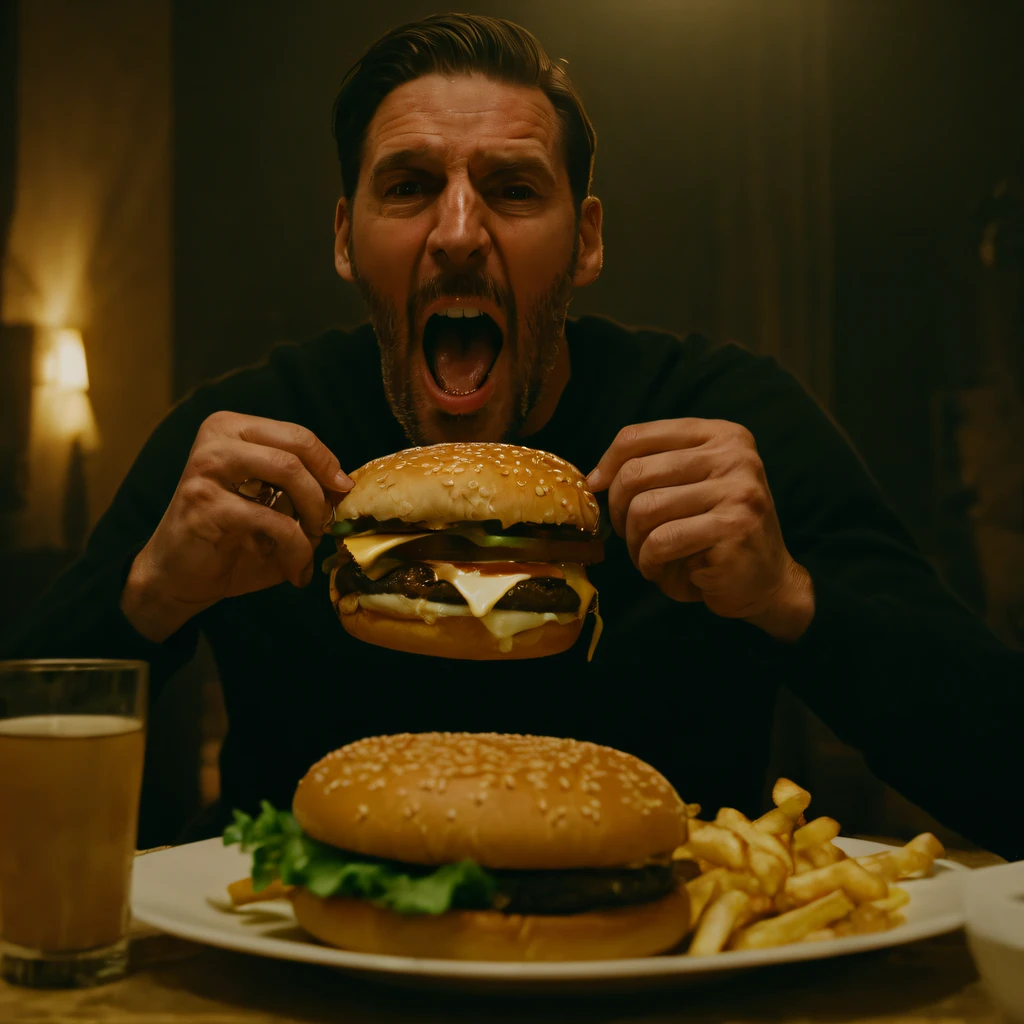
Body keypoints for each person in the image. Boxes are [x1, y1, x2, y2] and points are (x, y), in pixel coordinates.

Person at [5, 14, 1021, 857]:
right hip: (294, 959)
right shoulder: (246, 444)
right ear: (344, 237)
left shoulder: (722, 419)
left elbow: (1001, 775)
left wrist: (791, 596)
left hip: (672, 982)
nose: (456, 231)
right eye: (407, 186)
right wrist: (144, 600)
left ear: (584, 240)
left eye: (512, 187)